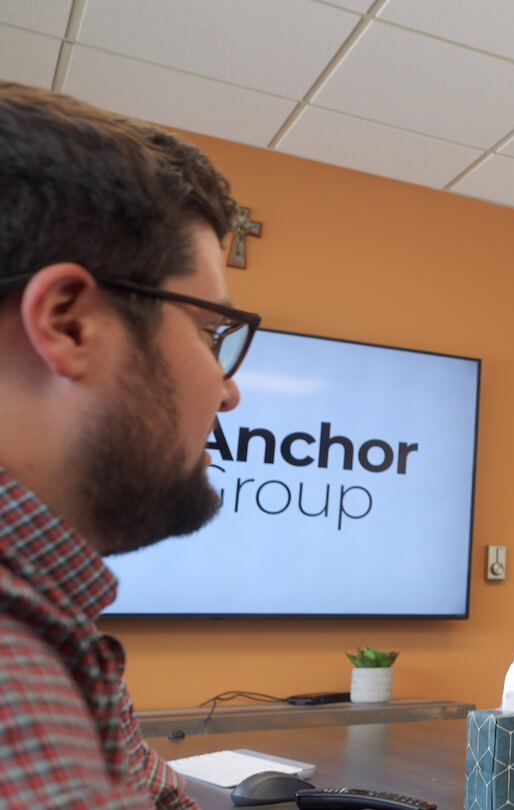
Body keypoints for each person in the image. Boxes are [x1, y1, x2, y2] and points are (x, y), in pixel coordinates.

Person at [0, 81, 261, 808]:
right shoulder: (14, 678)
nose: (228, 391)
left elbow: (153, 792)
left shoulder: (54, 620)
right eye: (211, 334)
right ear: (69, 324)